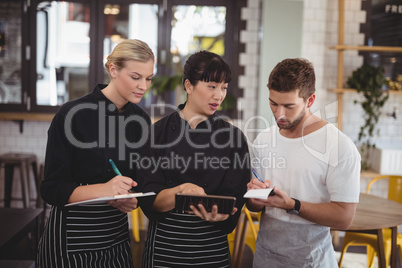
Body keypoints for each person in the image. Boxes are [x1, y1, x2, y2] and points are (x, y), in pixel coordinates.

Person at [37, 39, 155, 268]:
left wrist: (131, 199)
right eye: (135, 77)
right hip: (70, 241)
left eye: (148, 78)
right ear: (113, 70)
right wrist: (104, 189)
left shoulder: (140, 121)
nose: (143, 85)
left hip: (116, 239)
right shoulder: (72, 115)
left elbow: (137, 180)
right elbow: (51, 188)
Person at [136, 50, 250, 267]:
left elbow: (235, 198)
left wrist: (223, 215)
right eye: (212, 86)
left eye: (224, 88)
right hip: (164, 251)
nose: (219, 96)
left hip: (211, 251)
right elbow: (149, 198)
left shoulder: (234, 139)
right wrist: (181, 190)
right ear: (189, 86)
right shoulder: (156, 134)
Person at [247, 58, 361, 267]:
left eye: (289, 106)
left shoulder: (339, 146)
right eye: (273, 103)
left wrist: (293, 205)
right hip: (264, 257)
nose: (279, 114)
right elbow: (254, 206)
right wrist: (254, 199)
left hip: (311, 260)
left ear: (310, 101)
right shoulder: (264, 139)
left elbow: (344, 217)